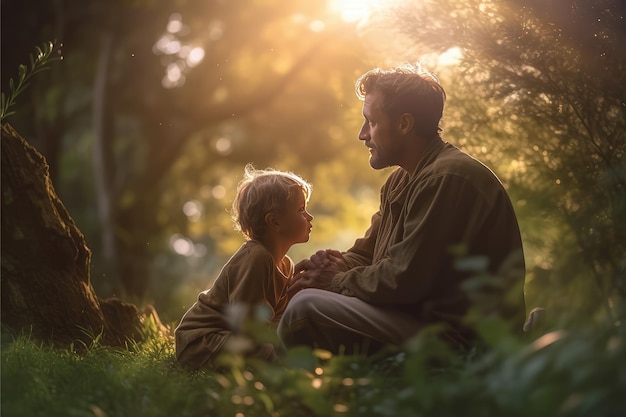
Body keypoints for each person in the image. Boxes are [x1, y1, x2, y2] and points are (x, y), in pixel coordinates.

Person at [277, 63, 525, 355]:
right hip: (416, 322)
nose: (362, 135)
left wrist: (335, 280)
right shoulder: (401, 179)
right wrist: (330, 265)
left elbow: (404, 281)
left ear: (404, 124)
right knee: (306, 293)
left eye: (371, 122)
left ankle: (281, 390)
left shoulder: (445, 178)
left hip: (462, 343)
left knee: (305, 309)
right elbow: (367, 254)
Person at [175, 164, 313, 369]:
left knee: (286, 348)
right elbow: (245, 323)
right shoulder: (256, 257)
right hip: (203, 340)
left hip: (234, 336)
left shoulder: (286, 265)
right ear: (274, 222)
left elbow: (275, 321)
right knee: (274, 356)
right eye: (301, 209)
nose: (310, 217)